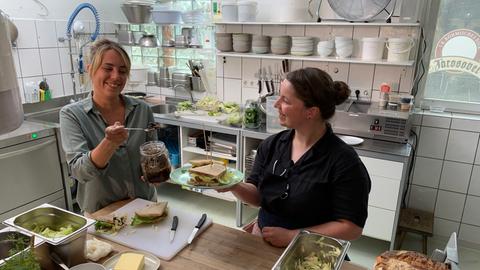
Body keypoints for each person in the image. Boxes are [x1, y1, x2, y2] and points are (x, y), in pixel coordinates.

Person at [223, 67, 371, 247]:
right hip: (263, 239)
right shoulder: (271, 145)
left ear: (311, 112)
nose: (276, 104)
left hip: (313, 249)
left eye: (285, 100)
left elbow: (351, 227)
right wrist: (232, 185)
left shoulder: (344, 162)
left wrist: (294, 236)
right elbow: (258, 197)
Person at [60, 39, 159, 214]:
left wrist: (156, 171)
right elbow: (80, 172)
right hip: (102, 215)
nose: (116, 76)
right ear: (90, 70)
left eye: (122, 71)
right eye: (108, 68)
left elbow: (152, 156)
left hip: (145, 206)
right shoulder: (72, 115)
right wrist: (109, 143)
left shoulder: (142, 110)